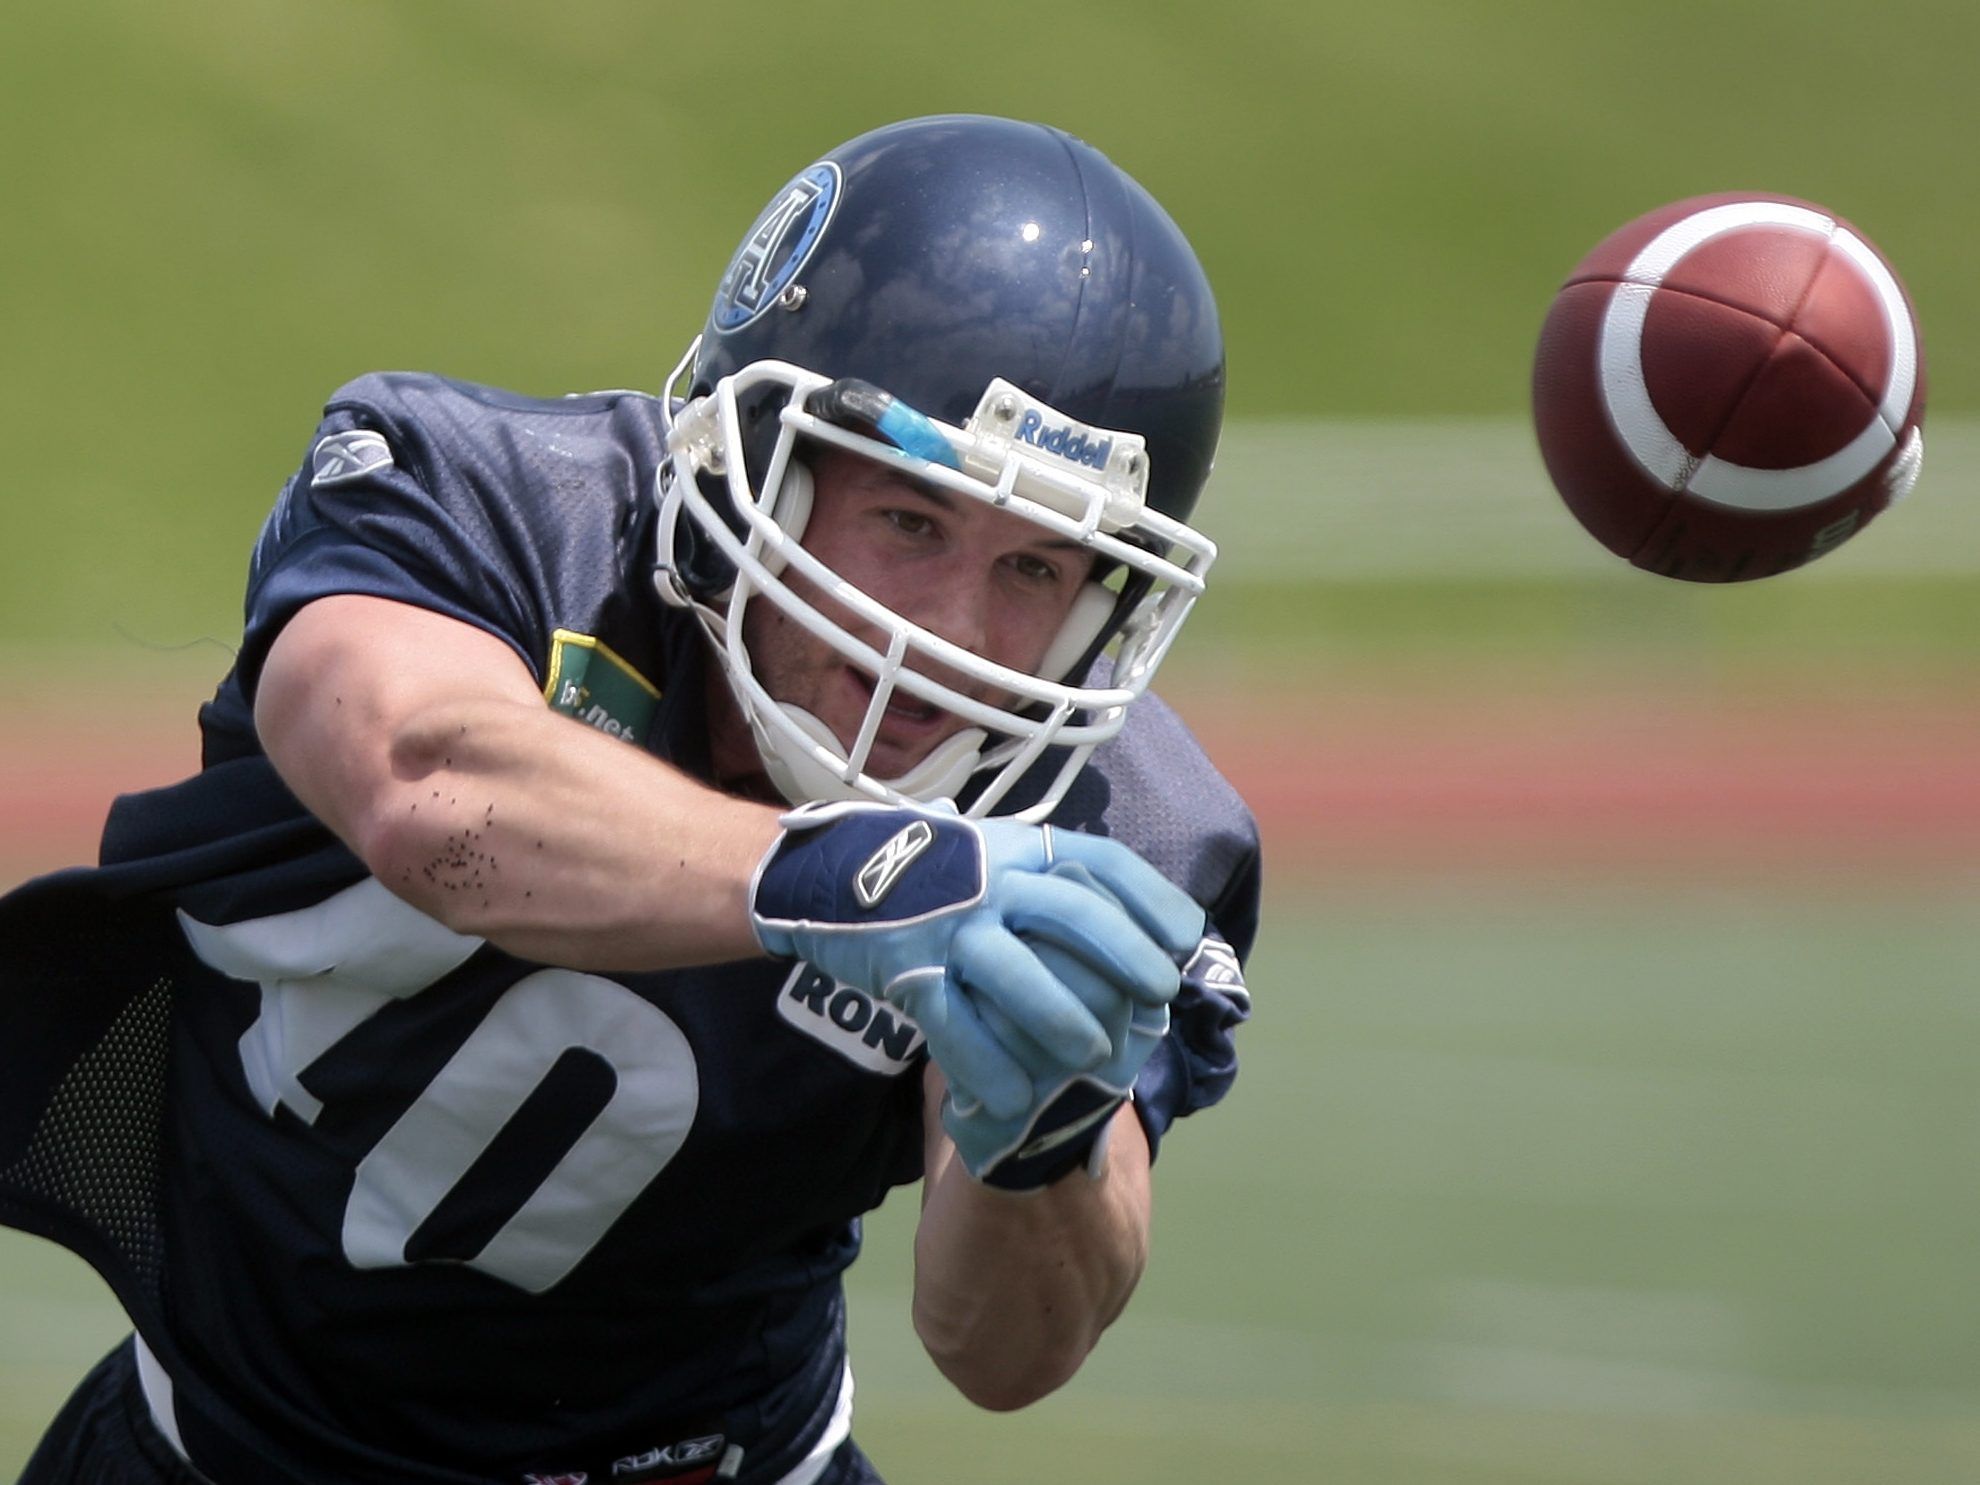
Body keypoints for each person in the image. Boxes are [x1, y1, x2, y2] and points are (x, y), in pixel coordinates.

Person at [0, 113, 1259, 1485]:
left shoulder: (1118, 810)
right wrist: (843, 877)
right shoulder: (491, 506)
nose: (955, 634)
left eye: (1037, 572)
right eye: (910, 523)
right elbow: (424, 782)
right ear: (758, 456)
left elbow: (1005, 1350)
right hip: (242, 1454)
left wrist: (1047, 1131)